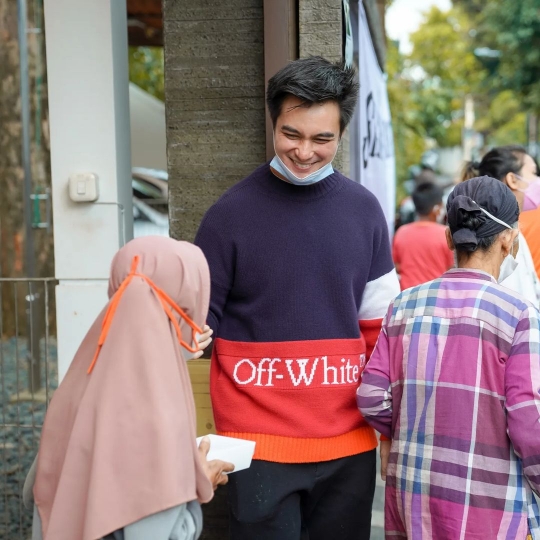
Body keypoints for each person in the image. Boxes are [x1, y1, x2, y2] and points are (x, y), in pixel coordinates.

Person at [194, 56, 400, 539]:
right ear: (273, 122)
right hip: (255, 444)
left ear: (340, 135)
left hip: (349, 443)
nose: (304, 151)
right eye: (292, 134)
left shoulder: (364, 212)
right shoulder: (228, 216)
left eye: (322, 139)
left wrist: (389, 425)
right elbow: (197, 325)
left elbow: (384, 332)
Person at [357, 176, 540, 539]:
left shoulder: (404, 305)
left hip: (414, 495)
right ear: (508, 241)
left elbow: (371, 397)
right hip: (491, 506)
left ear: (448, 238)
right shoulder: (519, 315)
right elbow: (528, 426)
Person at [27, 237, 234, 540]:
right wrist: (196, 486)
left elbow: (35, 493)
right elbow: (164, 534)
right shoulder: (157, 410)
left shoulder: (80, 382)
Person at [461, 145, 540, 306]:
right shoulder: (495, 235)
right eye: (533, 173)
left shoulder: (513, 231)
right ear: (512, 179)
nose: (537, 180)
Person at [393, 182, 453, 290]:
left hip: (407, 299)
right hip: (436, 299)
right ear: (436, 208)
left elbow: (397, 266)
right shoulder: (446, 234)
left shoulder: (401, 232)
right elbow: (451, 269)